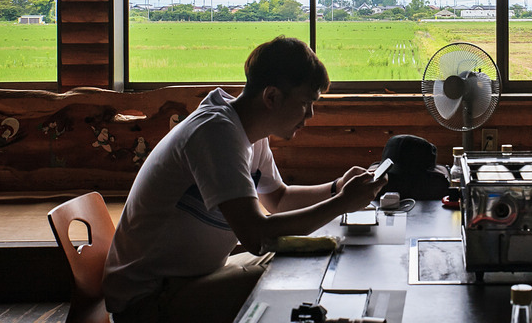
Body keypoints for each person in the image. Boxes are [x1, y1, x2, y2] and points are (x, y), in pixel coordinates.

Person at [103, 36, 387, 323]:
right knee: (293, 278)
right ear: (272, 97)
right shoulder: (216, 132)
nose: (310, 115)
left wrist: (336, 188)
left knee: (313, 254)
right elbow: (255, 236)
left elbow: (279, 199)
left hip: (194, 278)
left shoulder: (249, 131)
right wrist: (341, 204)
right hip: (149, 300)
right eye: (305, 103)